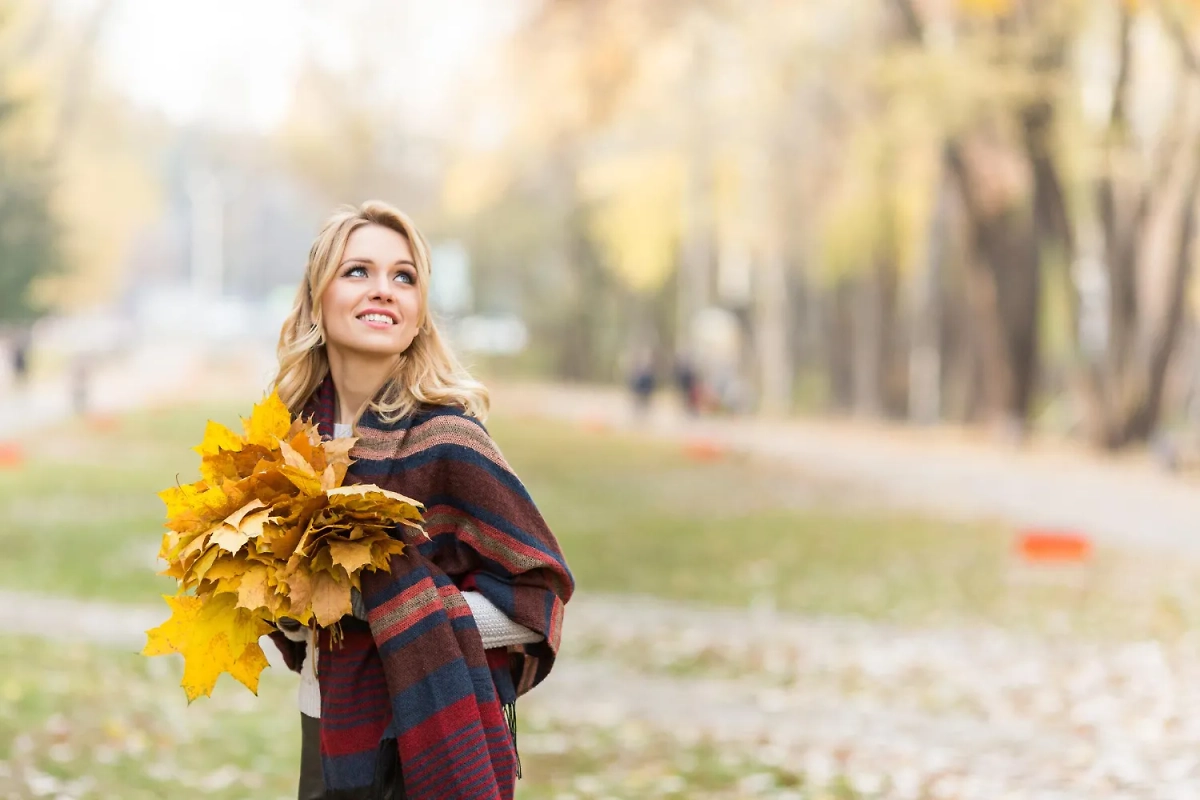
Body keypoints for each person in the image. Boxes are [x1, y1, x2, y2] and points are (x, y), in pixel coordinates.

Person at [266, 201, 574, 800]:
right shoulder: (292, 446)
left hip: (427, 741)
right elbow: (300, 626)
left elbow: (539, 603)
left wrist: (387, 605)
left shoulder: (448, 438)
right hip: (327, 733)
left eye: (403, 277)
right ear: (316, 299)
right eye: (358, 272)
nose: (383, 290)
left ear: (417, 314)